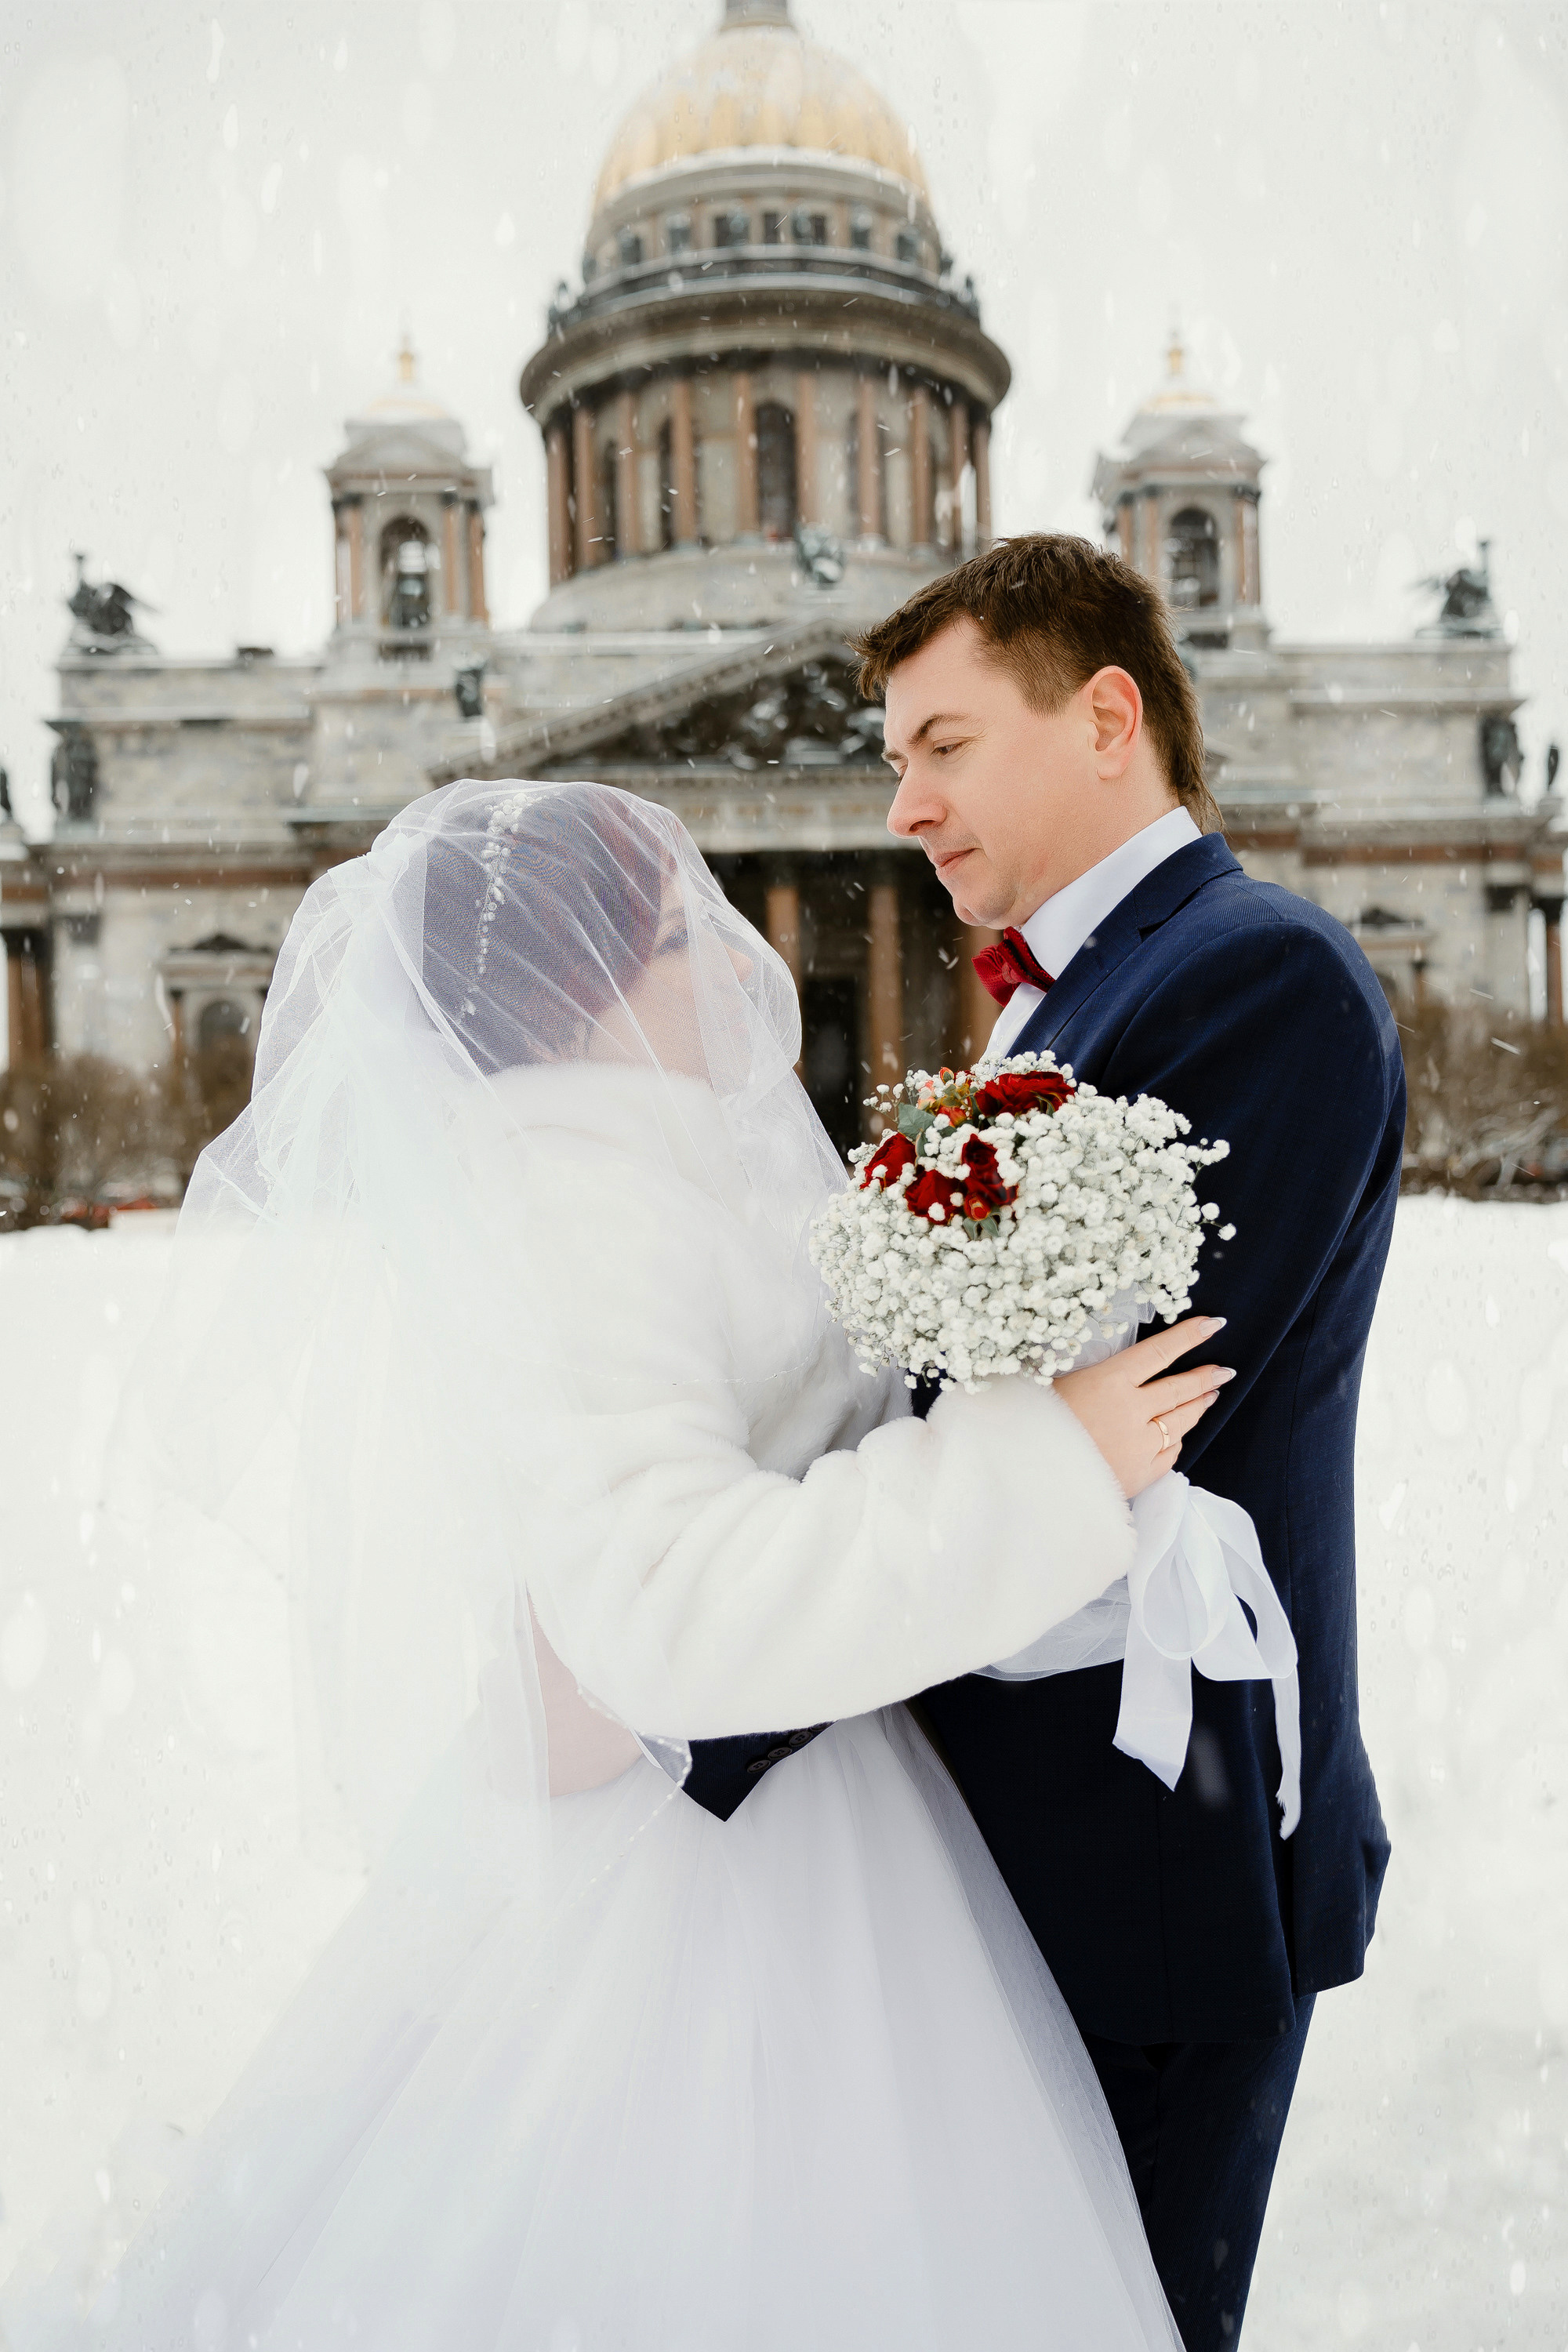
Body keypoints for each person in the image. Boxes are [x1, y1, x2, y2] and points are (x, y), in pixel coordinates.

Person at [4, 779, 1232, 2351]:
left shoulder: (623, 1170)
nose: (724, 963)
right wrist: (1046, 1465)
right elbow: (671, 1606)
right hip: (709, 1865)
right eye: (671, 934)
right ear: (583, 981)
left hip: (749, 1808)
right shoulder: (583, 1195)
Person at [850, 533, 1403, 2351]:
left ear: (1105, 717)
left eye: (942, 745)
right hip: (1062, 1852)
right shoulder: (1069, 994)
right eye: (894, 761)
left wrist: (705, 1665)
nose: (906, 805)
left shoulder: (1261, 980)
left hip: (1157, 1867)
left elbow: (1113, 1427)